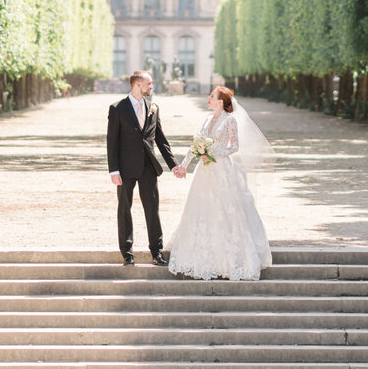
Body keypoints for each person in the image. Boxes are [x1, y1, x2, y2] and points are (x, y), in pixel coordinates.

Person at [167, 86, 273, 281]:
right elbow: (195, 146)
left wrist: (214, 154)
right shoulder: (207, 120)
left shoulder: (229, 120)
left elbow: (235, 145)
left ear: (221, 101)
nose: (208, 98)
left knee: (226, 209)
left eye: (212, 96)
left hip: (222, 169)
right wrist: (183, 166)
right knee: (201, 208)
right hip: (204, 171)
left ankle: (230, 259)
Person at [105, 69, 184, 266]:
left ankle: (156, 252)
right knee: (124, 209)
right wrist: (113, 170)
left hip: (149, 167)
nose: (152, 86)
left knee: (153, 210)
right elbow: (111, 142)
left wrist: (174, 165)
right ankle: (127, 253)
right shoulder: (117, 108)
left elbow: (161, 140)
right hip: (124, 168)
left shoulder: (154, 107)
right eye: (149, 83)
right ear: (137, 84)